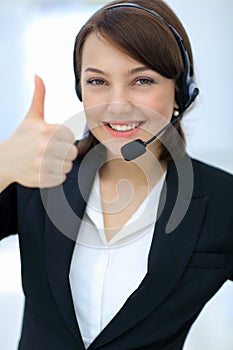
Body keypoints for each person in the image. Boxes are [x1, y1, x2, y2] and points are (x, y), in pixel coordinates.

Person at [0, 0, 233, 349]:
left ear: (180, 93)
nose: (118, 104)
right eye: (98, 81)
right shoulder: (38, 175)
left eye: (142, 80)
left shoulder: (221, 200)